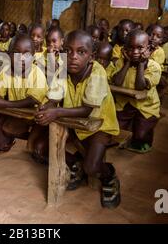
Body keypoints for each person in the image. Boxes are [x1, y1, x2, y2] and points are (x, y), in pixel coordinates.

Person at [34, 30, 121, 208]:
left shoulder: (97, 73)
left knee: (92, 167)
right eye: (68, 51)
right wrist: (46, 107)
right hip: (75, 125)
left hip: (100, 126)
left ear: (92, 56)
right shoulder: (62, 69)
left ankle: (109, 176)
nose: (73, 57)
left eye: (81, 52)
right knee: (41, 147)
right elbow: (55, 97)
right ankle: (77, 164)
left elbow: (87, 110)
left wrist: (56, 113)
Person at [112, 29, 161, 154]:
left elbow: (140, 87)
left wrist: (141, 63)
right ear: (124, 49)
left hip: (146, 107)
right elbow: (117, 82)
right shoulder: (120, 63)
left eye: (140, 48)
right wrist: (127, 62)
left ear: (148, 48)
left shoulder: (153, 67)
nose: (135, 52)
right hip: (125, 104)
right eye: (130, 48)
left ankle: (144, 139)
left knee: (140, 136)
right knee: (117, 132)